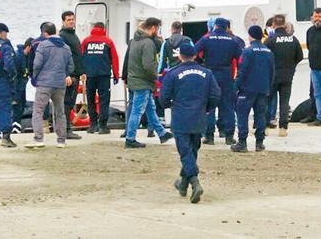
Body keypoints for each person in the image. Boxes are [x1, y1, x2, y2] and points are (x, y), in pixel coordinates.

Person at [160, 42, 220, 204]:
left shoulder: (173, 74)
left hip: (180, 117)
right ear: (195, 55)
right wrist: (206, 108)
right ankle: (183, 183)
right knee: (192, 151)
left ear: (180, 56)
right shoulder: (207, 73)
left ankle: (194, 182)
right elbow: (215, 94)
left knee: (185, 152)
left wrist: (169, 105)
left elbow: (164, 97)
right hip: (199, 118)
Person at [125, 17, 174, 148]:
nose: (157, 32)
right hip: (143, 81)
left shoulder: (135, 41)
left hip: (136, 79)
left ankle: (162, 133)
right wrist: (155, 76)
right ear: (153, 27)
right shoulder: (147, 43)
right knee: (137, 111)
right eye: (157, 29)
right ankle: (130, 138)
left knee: (150, 109)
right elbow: (148, 65)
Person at [194, 17, 243, 145]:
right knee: (227, 106)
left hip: (210, 74)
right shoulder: (233, 41)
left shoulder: (206, 38)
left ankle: (209, 136)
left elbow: (193, 52)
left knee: (209, 106)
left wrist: (201, 63)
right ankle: (229, 135)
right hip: (227, 75)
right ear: (226, 27)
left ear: (215, 26)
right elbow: (241, 60)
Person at [28, 22, 74, 149]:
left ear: (44, 33)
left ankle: (39, 139)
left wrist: (35, 77)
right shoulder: (66, 47)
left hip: (44, 83)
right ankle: (61, 140)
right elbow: (71, 66)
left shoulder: (43, 45)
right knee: (60, 112)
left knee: (38, 111)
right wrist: (65, 74)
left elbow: (37, 64)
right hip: (60, 84)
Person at [231, 25, 274, 153]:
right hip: (262, 89)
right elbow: (272, 72)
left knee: (242, 115)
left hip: (247, 89)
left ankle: (242, 142)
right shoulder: (269, 52)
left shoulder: (248, 52)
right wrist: (268, 87)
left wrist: (235, 87)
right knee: (260, 115)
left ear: (251, 36)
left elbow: (242, 71)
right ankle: (259, 143)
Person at [265, 14, 304, 137]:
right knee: (284, 102)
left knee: (268, 101)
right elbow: (300, 56)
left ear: (273, 25)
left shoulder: (270, 40)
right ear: (285, 24)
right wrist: (291, 66)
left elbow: (264, 56)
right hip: (287, 75)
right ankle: (283, 128)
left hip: (272, 76)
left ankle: (265, 127)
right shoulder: (293, 39)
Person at [81, 22, 120, 134]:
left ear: (93, 29)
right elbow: (114, 59)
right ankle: (103, 126)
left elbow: (80, 57)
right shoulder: (108, 41)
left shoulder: (86, 41)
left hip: (90, 76)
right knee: (104, 101)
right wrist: (116, 75)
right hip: (104, 76)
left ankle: (93, 125)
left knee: (91, 100)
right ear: (104, 29)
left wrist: (82, 72)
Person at [59, 11, 85, 140]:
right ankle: (65, 129)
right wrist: (66, 74)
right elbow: (62, 57)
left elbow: (77, 55)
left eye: (72, 19)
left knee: (71, 102)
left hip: (76, 73)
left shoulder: (73, 35)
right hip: (69, 75)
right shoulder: (63, 36)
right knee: (67, 102)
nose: (71, 21)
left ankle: (67, 128)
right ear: (63, 21)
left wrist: (82, 71)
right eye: (68, 20)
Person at [11, 37, 32, 132]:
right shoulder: (18, 57)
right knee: (16, 106)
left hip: (23, 85)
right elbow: (14, 76)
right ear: (27, 47)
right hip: (17, 86)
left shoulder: (28, 57)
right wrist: (14, 93)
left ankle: (17, 125)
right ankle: (14, 126)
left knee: (22, 105)